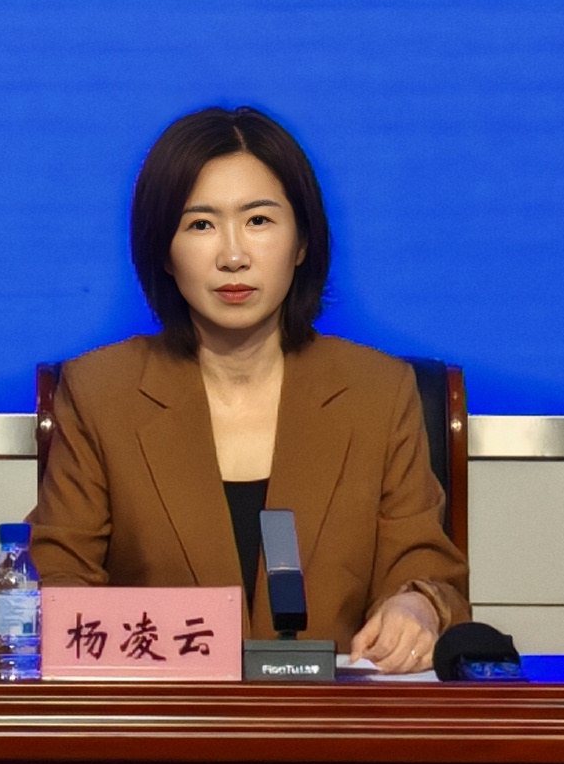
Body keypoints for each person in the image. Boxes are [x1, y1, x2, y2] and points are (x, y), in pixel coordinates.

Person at [28, 104, 467, 670]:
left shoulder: (377, 393)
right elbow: (58, 582)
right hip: (164, 716)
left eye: (258, 221)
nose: (233, 256)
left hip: (330, 717)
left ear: (302, 242)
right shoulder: (101, 393)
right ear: (164, 251)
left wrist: (418, 606)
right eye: (200, 225)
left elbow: (426, 570)